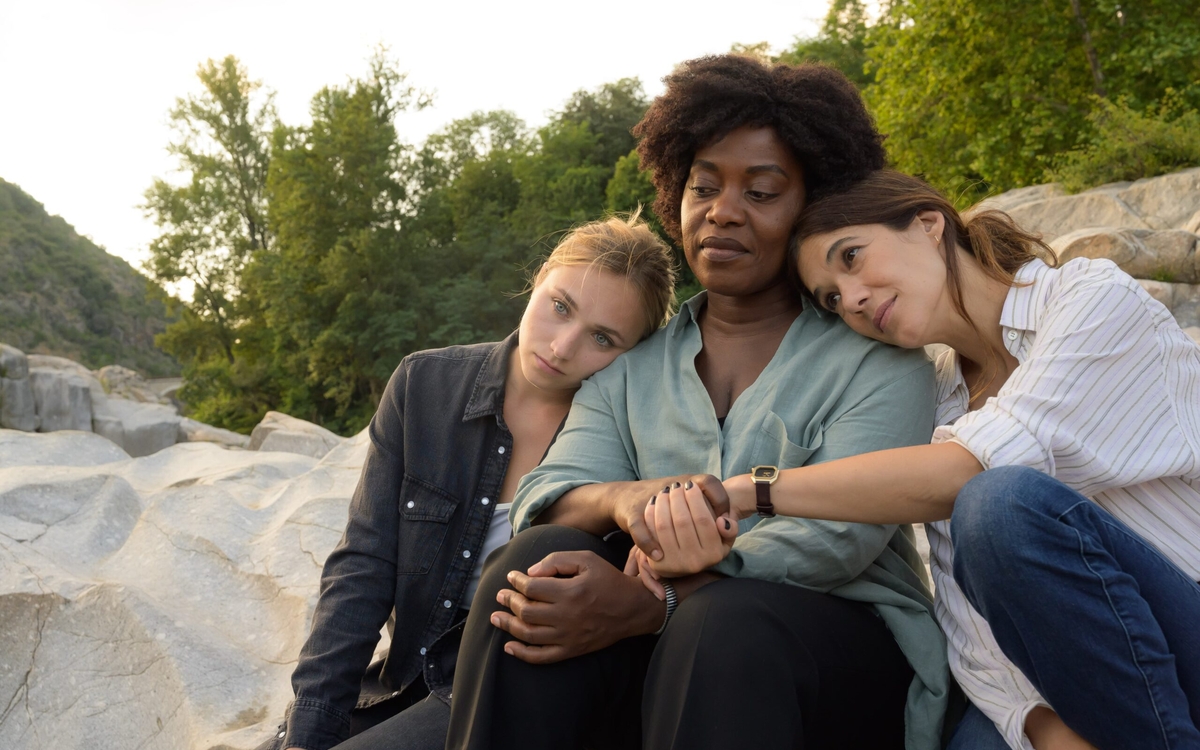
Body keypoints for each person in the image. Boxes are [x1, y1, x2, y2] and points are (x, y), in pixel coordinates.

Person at [445, 56, 953, 750]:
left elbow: (840, 538)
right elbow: (552, 491)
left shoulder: (878, 361)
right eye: (703, 187)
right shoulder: (630, 373)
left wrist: (662, 601)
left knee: (723, 622)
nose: (723, 211)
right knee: (538, 561)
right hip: (659, 669)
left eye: (763, 192)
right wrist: (627, 503)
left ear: (811, 204)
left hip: (832, 665)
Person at [642, 170, 1200, 750]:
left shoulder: (1088, 298)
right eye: (832, 297)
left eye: (851, 257)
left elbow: (973, 472)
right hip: (1067, 686)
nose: (852, 299)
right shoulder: (941, 400)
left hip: (1184, 621)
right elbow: (966, 622)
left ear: (929, 224)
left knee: (998, 504)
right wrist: (1043, 729)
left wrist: (749, 491)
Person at [259, 212, 677, 750]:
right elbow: (363, 566)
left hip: (517, 685)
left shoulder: (633, 442)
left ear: (633, 353)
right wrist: (312, 723)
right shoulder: (425, 384)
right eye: (560, 306)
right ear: (540, 278)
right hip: (404, 679)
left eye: (602, 337)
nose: (562, 347)